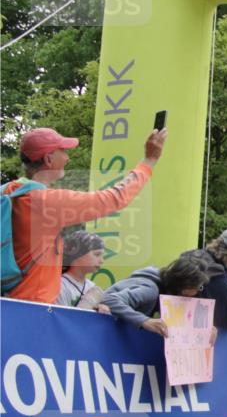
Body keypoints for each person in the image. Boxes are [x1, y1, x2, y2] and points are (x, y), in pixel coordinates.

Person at [3, 127, 166, 303]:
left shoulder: (7, 191)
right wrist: (148, 161)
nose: (67, 157)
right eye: (63, 151)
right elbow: (115, 198)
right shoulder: (46, 201)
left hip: (7, 301)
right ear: (49, 159)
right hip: (34, 307)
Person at [100, 257, 210, 337]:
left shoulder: (167, 292)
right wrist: (145, 321)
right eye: (198, 287)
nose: (197, 291)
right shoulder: (150, 290)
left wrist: (205, 327)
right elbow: (109, 299)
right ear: (184, 286)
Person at [56, 230, 106, 310]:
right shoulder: (60, 286)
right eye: (97, 254)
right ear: (78, 254)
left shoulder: (91, 286)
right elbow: (61, 319)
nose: (102, 260)